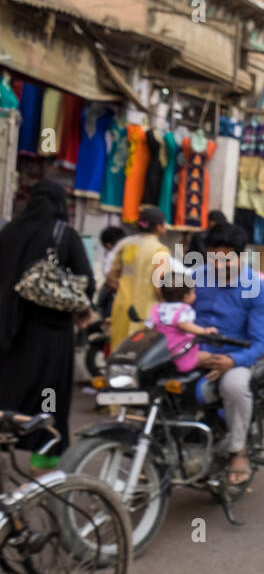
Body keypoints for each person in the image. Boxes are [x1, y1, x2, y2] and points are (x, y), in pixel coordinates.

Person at [0, 180, 96, 465]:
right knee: (49, 397)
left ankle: (5, 455)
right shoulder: (64, 235)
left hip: (8, 332)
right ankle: (45, 462)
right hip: (50, 338)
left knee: (7, 394)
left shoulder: (9, 232)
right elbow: (86, 283)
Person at [191, 223, 264, 486]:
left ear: (240, 256)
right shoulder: (193, 279)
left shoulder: (256, 289)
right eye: (213, 256)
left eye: (226, 257)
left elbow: (260, 343)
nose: (218, 264)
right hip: (195, 353)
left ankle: (238, 450)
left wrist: (232, 361)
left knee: (235, 386)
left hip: (236, 357)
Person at [107, 206, 171, 349]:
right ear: (159, 227)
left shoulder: (125, 243)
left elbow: (112, 277)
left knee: (119, 347)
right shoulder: (160, 250)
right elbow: (159, 284)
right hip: (145, 308)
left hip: (122, 304)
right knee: (139, 350)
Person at [146, 278, 219, 372]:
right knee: (209, 357)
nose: (195, 295)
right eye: (193, 292)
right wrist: (205, 331)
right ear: (186, 296)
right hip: (180, 355)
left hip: (160, 356)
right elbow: (184, 325)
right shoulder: (184, 309)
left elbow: (148, 328)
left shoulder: (156, 309)